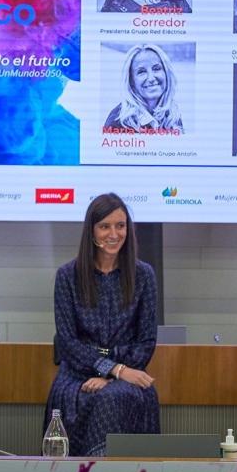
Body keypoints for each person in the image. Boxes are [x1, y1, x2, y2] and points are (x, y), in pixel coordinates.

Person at [45, 193, 160, 456]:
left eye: (120, 226)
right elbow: (68, 343)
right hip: (77, 375)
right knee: (101, 396)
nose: (114, 234)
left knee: (115, 396)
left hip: (130, 374)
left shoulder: (144, 275)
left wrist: (113, 374)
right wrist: (112, 369)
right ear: (92, 231)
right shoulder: (67, 276)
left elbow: (145, 342)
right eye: (105, 226)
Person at [103, 44, 183, 133]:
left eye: (156, 68)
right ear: (131, 81)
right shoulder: (118, 121)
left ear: (166, 74)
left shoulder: (172, 115)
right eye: (141, 72)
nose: (151, 78)